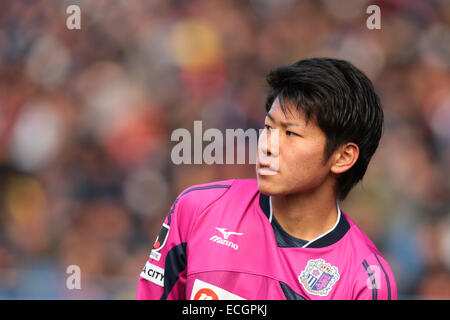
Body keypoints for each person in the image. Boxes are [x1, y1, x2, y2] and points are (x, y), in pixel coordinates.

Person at [136, 57, 397, 300]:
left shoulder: (364, 280)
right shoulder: (198, 209)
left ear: (343, 157)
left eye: (290, 134)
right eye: (269, 128)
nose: (267, 145)